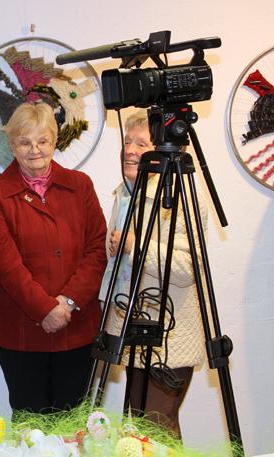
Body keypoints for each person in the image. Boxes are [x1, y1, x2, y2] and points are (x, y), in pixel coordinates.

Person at [0, 102, 107, 414]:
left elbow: (97, 249)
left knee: (74, 424)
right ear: (12, 145)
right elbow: (3, 261)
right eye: (24, 142)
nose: (35, 150)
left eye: (42, 141)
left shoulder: (81, 185)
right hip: (20, 332)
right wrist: (45, 308)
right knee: (30, 426)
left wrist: (68, 302)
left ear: (54, 141)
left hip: (78, 326)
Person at [99, 110, 207, 438]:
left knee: (157, 428)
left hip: (170, 335)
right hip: (134, 330)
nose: (130, 150)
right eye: (127, 142)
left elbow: (188, 268)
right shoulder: (124, 195)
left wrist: (134, 246)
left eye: (141, 144)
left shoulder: (179, 196)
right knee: (139, 428)